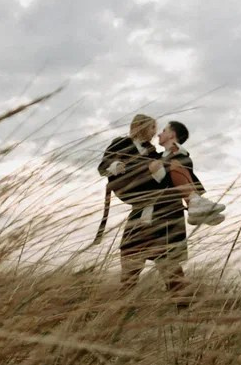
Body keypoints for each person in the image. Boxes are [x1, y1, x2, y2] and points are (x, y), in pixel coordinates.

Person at [95, 114, 224, 297]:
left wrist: (174, 151)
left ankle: (185, 306)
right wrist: (114, 165)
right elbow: (103, 166)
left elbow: (170, 166)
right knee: (130, 268)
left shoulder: (153, 152)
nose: (155, 133)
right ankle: (122, 308)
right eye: (153, 128)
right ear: (141, 126)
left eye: (159, 130)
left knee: (171, 270)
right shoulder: (121, 143)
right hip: (138, 207)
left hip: (163, 213)